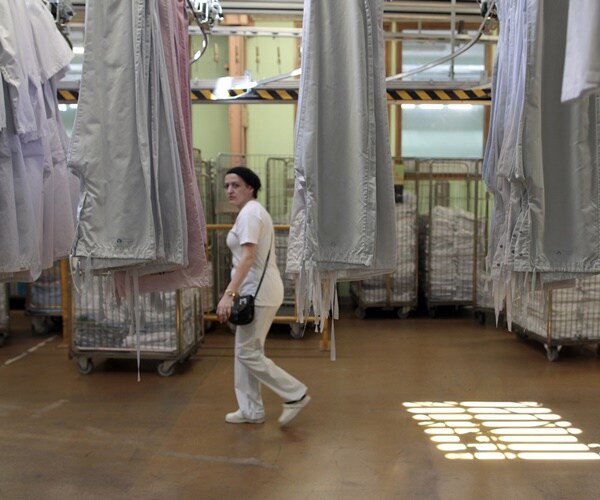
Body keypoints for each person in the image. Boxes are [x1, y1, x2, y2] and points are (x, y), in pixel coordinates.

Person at [216, 166, 311, 426]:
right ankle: (251, 409)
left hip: (258, 290)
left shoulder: (251, 214)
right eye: (227, 186)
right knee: (246, 350)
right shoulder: (249, 213)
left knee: (247, 352)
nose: (230, 190)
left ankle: (295, 393)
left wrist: (228, 295)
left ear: (251, 187)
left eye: (236, 185)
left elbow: (247, 257)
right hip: (255, 289)